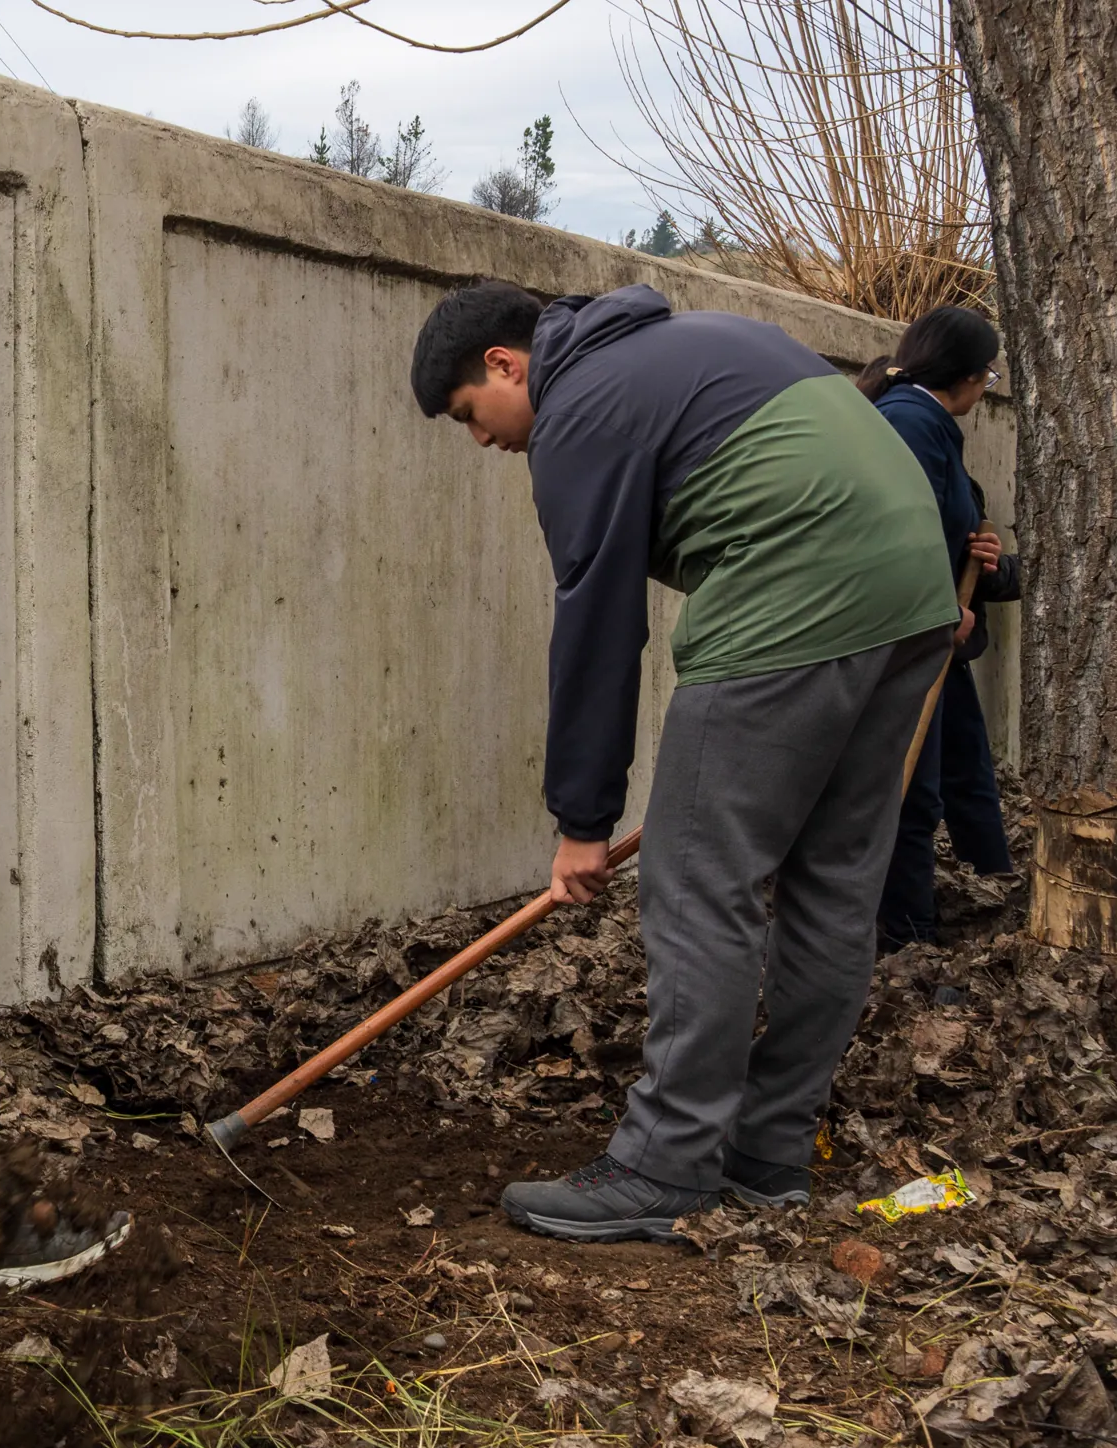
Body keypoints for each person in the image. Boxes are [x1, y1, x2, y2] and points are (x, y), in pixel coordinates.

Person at [409, 281, 957, 1241]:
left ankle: (663, 1167)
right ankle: (768, 1153)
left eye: (469, 414)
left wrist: (582, 821)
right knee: (833, 882)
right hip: (912, 589)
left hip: (798, 590)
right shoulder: (689, 340)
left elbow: (597, 624)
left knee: (700, 878)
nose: (482, 440)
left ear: (505, 364)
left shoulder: (580, 408)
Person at [862, 307, 1019, 948]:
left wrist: (978, 558)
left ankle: (994, 889)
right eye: (987, 377)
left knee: (965, 767)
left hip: (933, 637)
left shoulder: (926, 423)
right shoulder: (910, 421)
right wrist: (942, 610)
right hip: (907, 636)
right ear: (970, 376)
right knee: (913, 792)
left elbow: (940, 525)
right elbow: (896, 532)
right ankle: (906, 935)